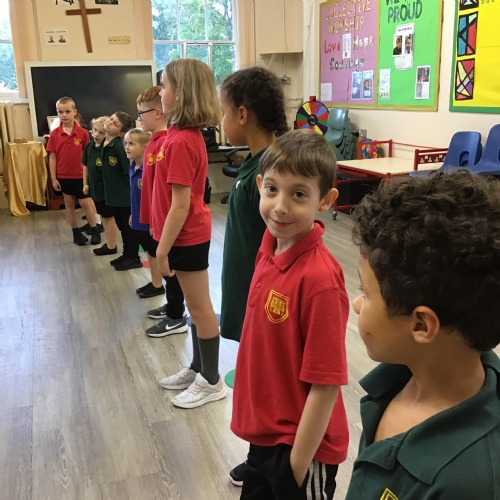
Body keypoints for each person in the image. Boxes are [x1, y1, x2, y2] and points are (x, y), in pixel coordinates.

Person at [346, 171, 500, 499]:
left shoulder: (465, 484)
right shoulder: (401, 376)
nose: (357, 304)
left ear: (421, 326)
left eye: (365, 292)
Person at [231, 129, 350, 500]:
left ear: (325, 200)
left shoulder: (320, 280)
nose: (280, 206)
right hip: (265, 435)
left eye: (298, 194)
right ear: (260, 187)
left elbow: (325, 384)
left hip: (301, 448)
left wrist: (295, 469)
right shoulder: (269, 246)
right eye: (272, 189)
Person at [218, 66, 289, 487]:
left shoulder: (274, 168)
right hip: (248, 289)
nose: (221, 121)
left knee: (267, 381)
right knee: (256, 377)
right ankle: (259, 453)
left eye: (224, 112)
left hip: (265, 299)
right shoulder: (253, 163)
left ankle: (266, 459)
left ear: (242, 114)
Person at [154, 58, 226, 408]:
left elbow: (181, 204)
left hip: (187, 236)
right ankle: (198, 367)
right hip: (181, 235)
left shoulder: (182, 140)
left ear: (180, 93)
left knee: (199, 308)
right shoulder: (177, 134)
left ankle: (211, 380)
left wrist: (162, 250)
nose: (160, 92)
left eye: (164, 86)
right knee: (195, 308)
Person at [135, 86, 187, 337]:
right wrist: (148, 217)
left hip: (167, 221)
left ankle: (176, 316)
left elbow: (168, 192)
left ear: (157, 113)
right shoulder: (153, 142)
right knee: (165, 268)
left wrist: (160, 221)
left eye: (141, 113)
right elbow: (150, 188)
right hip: (156, 219)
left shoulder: (167, 143)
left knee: (171, 269)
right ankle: (172, 306)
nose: (139, 119)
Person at [46, 96, 100, 245]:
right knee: (69, 204)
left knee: (86, 203)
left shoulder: (82, 133)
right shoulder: (54, 134)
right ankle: (76, 233)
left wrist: (88, 175)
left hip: (80, 175)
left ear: (74, 112)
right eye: (60, 112)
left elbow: (88, 155)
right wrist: (53, 178)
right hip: (63, 176)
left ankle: (95, 229)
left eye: (67, 111)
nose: (64, 115)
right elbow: (52, 157)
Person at [98, 111, 140, 270]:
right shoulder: (105, 143)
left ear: (121, 133)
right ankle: (126, 254)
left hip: (124, 197)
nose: (109, 122)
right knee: (122, 226)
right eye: (111, 119)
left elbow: (128, 171)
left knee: (128, 228)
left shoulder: (120, 147)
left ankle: (133, 257)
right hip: (114, 196)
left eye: (115, 123)